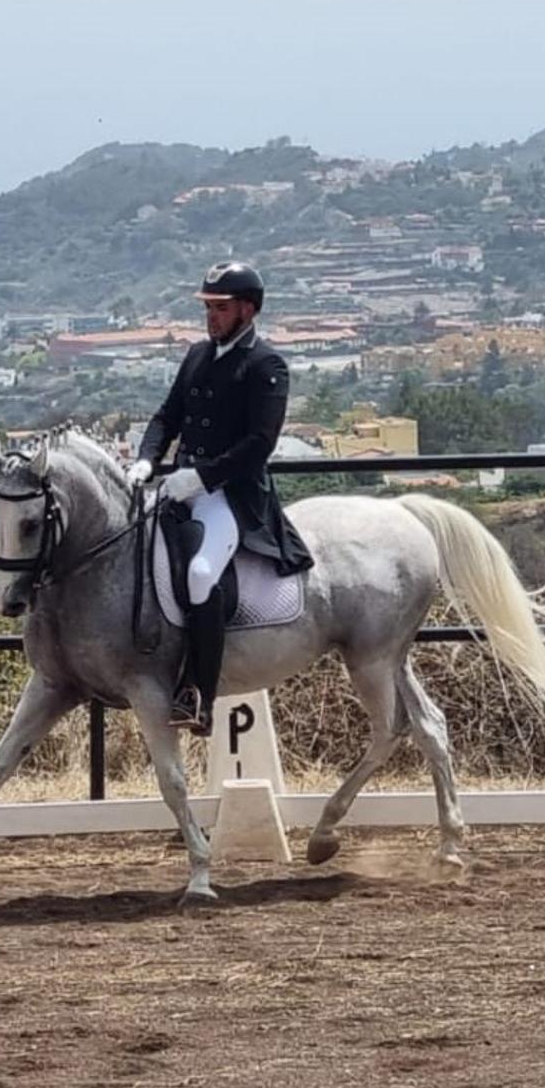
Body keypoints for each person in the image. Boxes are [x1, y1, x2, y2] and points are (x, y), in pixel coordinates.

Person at [126, 260, 314, 736]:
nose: (210, 316)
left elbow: (259, 444)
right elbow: (166, 416)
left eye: (220, 307)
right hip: (177, 486)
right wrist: (148, 459)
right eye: (208, 307)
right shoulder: (196, 355)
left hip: (229, 494)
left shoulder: (265, 365)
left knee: (200, 573)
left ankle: (198, 694)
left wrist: (201, 478)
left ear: (247, 310)